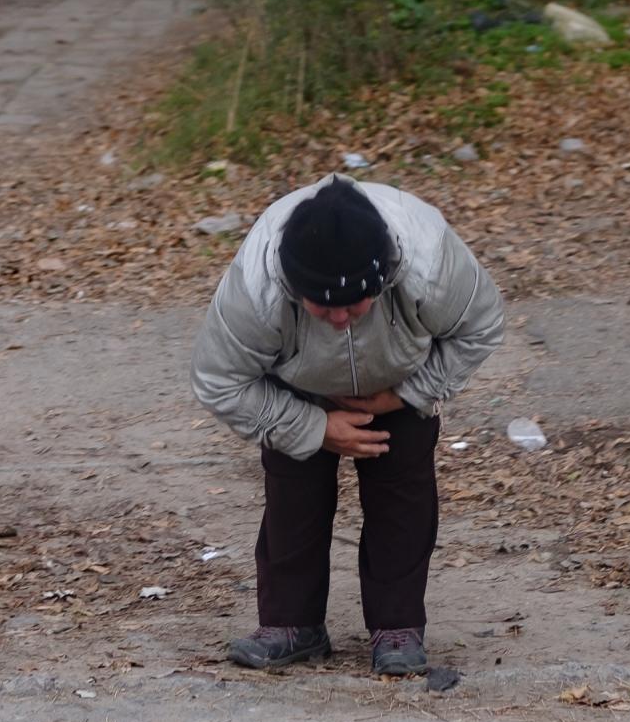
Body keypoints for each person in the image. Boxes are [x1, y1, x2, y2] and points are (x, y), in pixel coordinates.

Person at [190, 175, 505, 676]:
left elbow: (481, 325)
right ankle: (291, 624)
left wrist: (407, 394)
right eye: (322, 305)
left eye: (355, 303)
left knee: (402, 496)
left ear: (382, 280)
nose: (339, 317)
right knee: (293, 497)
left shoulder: (428, 259)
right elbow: (217, 379)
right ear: (294, 287)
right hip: (295, 385)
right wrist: (313, 427)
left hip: (399, 377)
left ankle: (397, 628)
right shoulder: (258, 286)